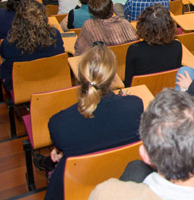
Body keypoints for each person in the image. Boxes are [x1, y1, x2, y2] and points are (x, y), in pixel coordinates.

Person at [47, 44, 143, 200]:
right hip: (124, 180)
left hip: (78, 188)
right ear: (113, 77)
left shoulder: (59, 124)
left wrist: (63, 152)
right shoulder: (135, 105)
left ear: (79, 77)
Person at [0, 0, 65, 91]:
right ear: (44, 18)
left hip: (21, 89)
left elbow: (3, 54)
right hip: (53, 82)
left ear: (18, 21)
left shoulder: (9, 43)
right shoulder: (55, 35)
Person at [124, 4, 182, 87]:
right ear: (169, 25)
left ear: (142, 26)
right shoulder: (177, 46)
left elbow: (128, 84)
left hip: (142, 95)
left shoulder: (134, 50)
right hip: (167, 93)